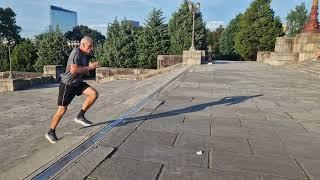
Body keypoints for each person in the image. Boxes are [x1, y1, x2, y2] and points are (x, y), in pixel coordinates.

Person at [45, 36, 99, 144]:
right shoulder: (76, 52)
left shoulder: (85, 54)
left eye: (92, 45)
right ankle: (51, 132)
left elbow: (82, 70)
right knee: (62, 110)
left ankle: (80, 116)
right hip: (68, 84)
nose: (91, 48)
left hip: (77, 83)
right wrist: (90, 67)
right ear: (83, 44)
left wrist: (89, 66)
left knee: (93, 94)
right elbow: (74, 70)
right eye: (90, 45)